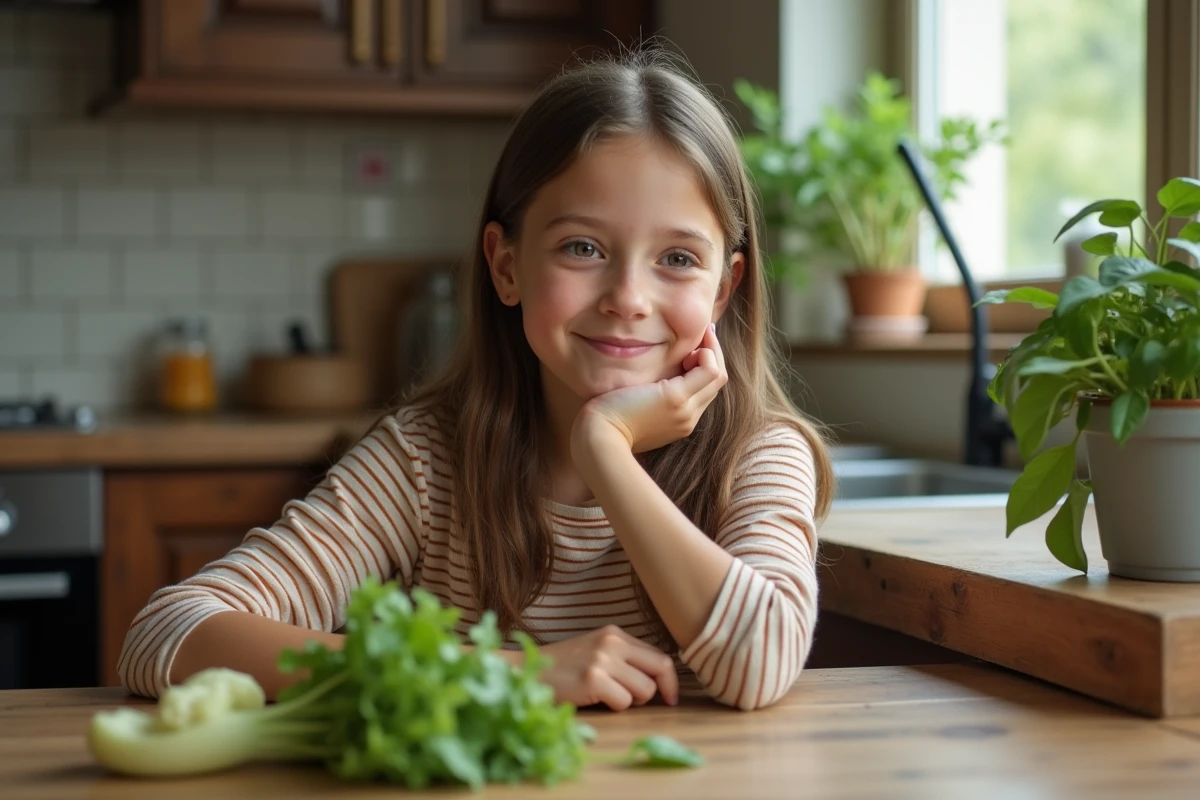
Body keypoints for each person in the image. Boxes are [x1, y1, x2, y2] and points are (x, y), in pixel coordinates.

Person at [118, 48, 834, 712]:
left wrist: (605, 450)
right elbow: (168, 634)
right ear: (506, 265)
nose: (629, 297)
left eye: (677, 258)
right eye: (582, 247)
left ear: (723, 288)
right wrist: (501, 673)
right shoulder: (424, 461)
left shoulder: (760, 453)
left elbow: (762, 662)